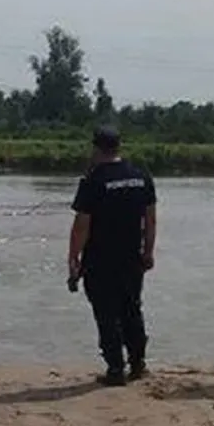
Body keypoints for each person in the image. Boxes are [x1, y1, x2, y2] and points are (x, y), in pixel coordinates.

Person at [68, 126, 156, 386]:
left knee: (106, 314)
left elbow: (82, 225)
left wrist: (73, 260)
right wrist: (149, 252)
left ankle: (116, 369)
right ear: (119, 146)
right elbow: (150, 219)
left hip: (100, 259)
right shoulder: (140, 176)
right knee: (131, 309)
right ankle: (138, 363)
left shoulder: (92, 181)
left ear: (96, 148)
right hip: (132, 257)